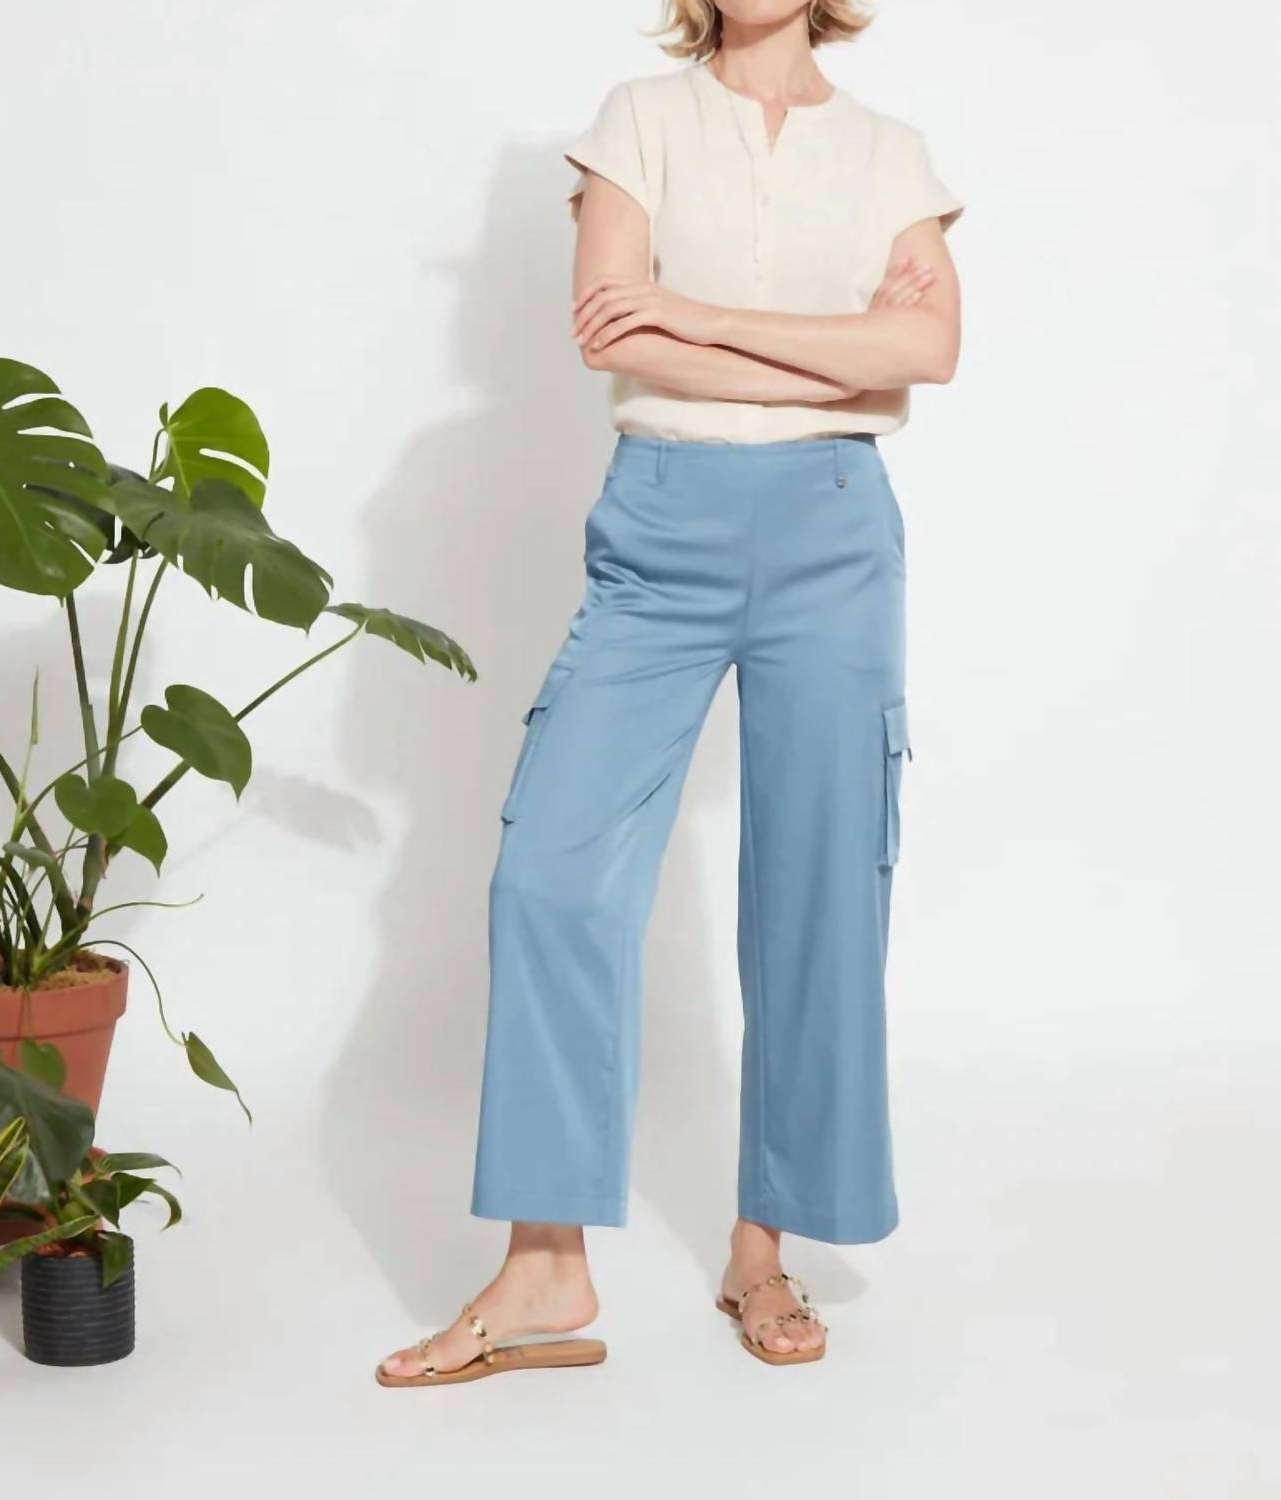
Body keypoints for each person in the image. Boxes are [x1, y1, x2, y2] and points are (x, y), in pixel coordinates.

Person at [378, 0, 963, 1385]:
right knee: (549, 874)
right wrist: (834, 342)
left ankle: (763, 1252)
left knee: (819, 893)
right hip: (660, 530)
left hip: (834, 532)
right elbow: (613, 339)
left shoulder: (889, 151)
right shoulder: (637, 124)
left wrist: (693, 312)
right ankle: (544, 1269)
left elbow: (927, 353)